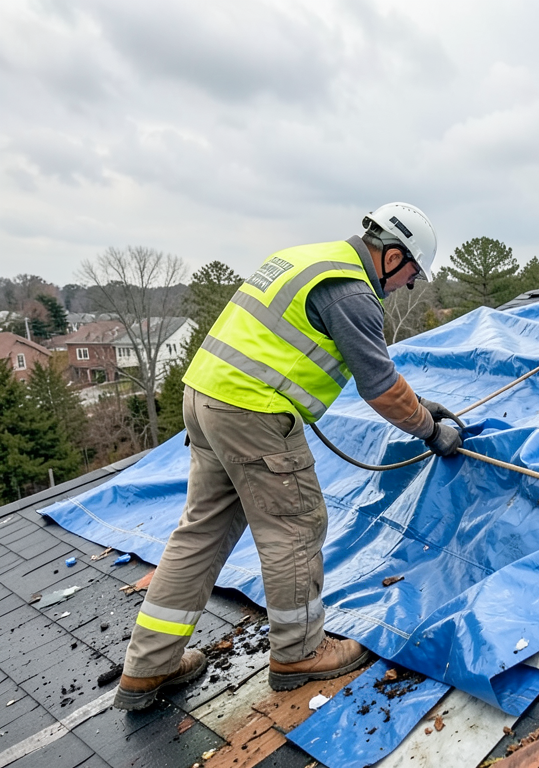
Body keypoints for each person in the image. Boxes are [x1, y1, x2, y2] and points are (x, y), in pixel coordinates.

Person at [114, 203, 462, 710]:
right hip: (252, 413)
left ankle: (149, 666)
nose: (407, 285)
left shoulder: (307, 259)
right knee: (296, 525)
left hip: (205, 398)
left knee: (201, 532)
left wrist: (420, 403)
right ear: (392, 255)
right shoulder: (353, 294)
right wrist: (431, 430)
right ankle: (299, 652)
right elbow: (382, 389)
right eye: (411, 274)